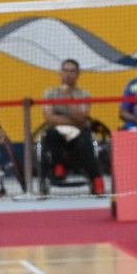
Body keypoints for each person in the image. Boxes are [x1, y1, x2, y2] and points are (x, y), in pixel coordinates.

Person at [39, 59, 103, 193]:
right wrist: (74, 121)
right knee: (51, 133)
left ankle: (96, 179)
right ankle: (58, 167)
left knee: (86, 141)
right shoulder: (49, 93)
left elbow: (82, 117)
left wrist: (67, 97)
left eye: (72, 71)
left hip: (78, 134)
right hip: (57, 133)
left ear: (78, 74)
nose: (68, 74)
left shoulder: (84, 94)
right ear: (60, 73)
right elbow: (49, 118)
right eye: (65, 71)